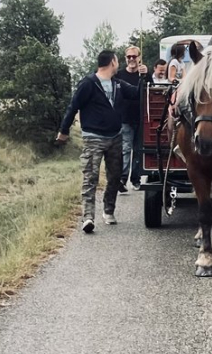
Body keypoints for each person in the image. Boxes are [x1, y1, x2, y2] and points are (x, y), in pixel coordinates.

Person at [56, 50, 147, 233]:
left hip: (115, 136)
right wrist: (63, 131)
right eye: (117, 61)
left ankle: (108, 210)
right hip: (93, 137)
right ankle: (88, 217)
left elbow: (139, 94)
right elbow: (73, 106)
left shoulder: (118, 84)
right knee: (91, 178)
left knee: (115, 177)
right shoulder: (88, 83)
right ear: (113, 62)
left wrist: (143, 77)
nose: (120, 64)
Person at [115, 46, 143, 192]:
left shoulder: (144, 74)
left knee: (138, 150)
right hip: (124, 118)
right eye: (129, 57)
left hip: (141, 118)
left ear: (139, 57)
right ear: (125, 58)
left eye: (134, 56)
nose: (131, 59)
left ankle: (136, 179)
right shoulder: (118, 75)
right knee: (125, 149)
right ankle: (122, 179)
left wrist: (144, 76)